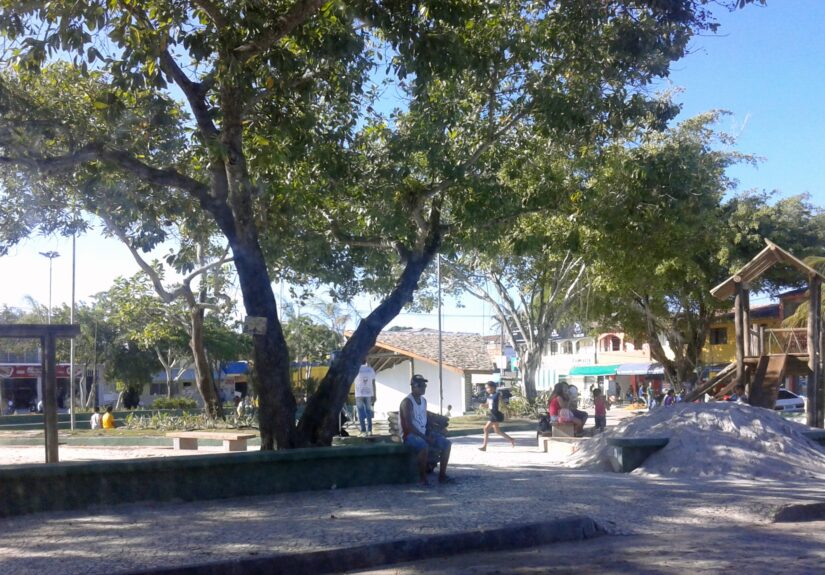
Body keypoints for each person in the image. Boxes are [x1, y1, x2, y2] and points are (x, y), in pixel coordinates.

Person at [399, 374, 452, 485]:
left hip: (422, 433)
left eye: (424, 385)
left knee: (447, 444)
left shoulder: (424, 401)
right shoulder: (407, 402)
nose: (423, 388)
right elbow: (409, 425)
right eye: (420, 385)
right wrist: (425, 438)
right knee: (424, 446)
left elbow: (424, 420)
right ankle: (422, 478)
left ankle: (442, 476)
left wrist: (431, 432)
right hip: (409, 435)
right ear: (413, 386)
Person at [479, 381, 515, 451]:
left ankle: (484, 446)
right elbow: (488, 405)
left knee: (486, 429)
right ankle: (511, 439)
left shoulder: (497, 395)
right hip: (493, 414)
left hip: (496, 415)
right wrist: (483, 405)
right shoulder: (489, 396)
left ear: (492, 387)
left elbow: (503, 404)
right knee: (497, 431)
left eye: (487, 388)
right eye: (486, 388)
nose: (487, 389)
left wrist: (508, 411)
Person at [354, 361, 376, 436]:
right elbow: (373, 383)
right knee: (368, 411)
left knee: (360, 412)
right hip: (368, 393)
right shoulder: (370, 369)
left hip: (359, 393)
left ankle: (363, 431)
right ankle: (369, 430)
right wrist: (374, 395)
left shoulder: (355, 369)